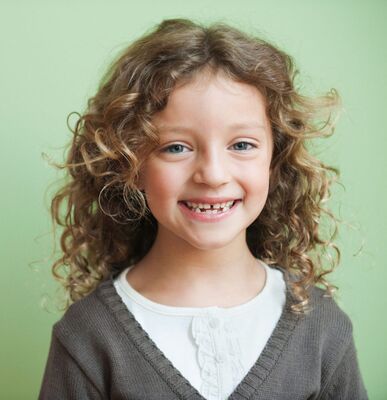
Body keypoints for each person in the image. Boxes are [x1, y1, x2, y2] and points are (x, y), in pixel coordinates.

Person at [39, 18, 368, 399]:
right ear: (132, 165)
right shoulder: (86, 336)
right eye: (176, 147)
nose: (212, 174)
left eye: (242, 145)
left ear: (274, 162)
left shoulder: (322, 327)